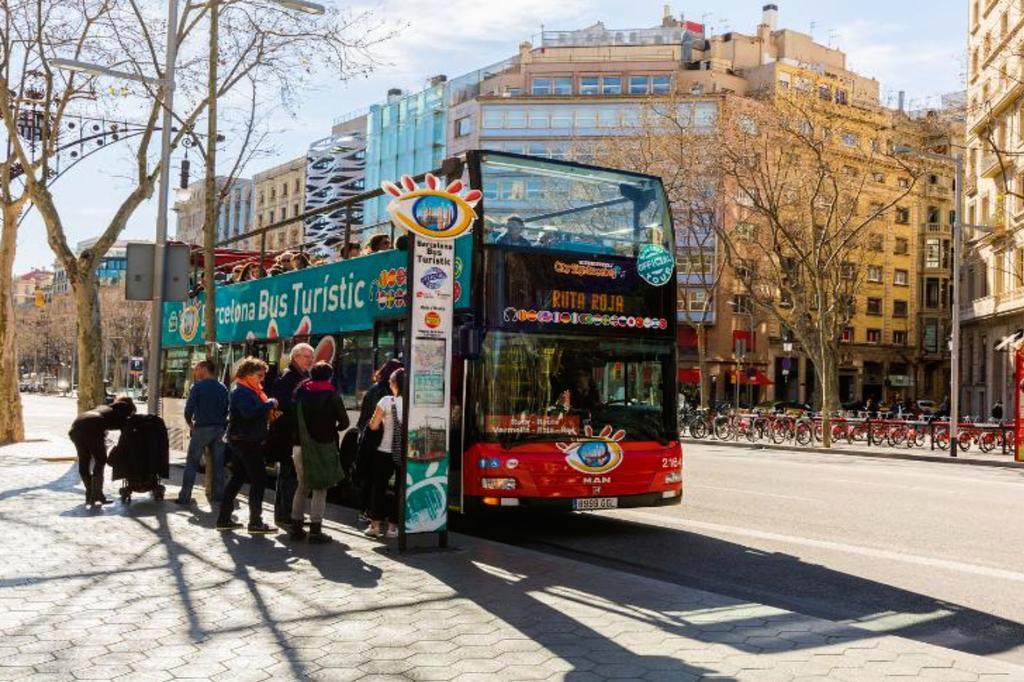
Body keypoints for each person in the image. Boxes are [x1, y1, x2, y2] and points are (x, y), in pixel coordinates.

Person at [216, 358, 279, 534]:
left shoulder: (247, 390)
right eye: (260, 375)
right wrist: (269, 404)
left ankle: (224, 519)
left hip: (243, 439)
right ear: (249, 374)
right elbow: (249, 413)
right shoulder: (242, 392)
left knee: (237, 478)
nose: (262, 379)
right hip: (246, 441)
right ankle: (255, 522)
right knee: (259, 480)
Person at [289, 362, 350, 543]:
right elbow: (345, 423)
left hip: (299, 446)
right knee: (320, 488)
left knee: (302, 486)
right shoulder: (331, 394)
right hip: (322, 447)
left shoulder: (300, 392)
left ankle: (296, 527)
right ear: (330, 376)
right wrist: (331, 428)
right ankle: (315, 530)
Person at [269, 343, 315, 527]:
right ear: (295, 357)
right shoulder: (289, 377)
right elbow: (283, 404)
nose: (310, 360)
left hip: (292, 434)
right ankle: (286, 514)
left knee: (287, 476)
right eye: (306, 356)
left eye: (311, 357)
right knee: (289, 476)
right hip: (288, 434)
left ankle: (283, 514)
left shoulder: (302, 375)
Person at [355, 359, 403, 521]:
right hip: (389, 445)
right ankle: (390, 520)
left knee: (374, 481)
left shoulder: (375, 390)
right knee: (387, 483)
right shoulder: (393, 397)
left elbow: (369, 421)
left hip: (376, 442)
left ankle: (369, 513)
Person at [177, 360, 229, 506]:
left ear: (205, 369)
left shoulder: (198, 386)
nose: (195, 372)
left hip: (201, 429)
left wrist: (190, 423)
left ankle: (185, 497)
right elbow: (227, 409)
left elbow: (189, 409)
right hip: (219, 429)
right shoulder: (223, 387)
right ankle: (217, 496)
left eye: (197, 369)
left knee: (192, 464)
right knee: (218, 465)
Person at [68, 397, 137, 505]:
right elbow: (126, 433)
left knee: (84, 459)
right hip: (94, 425)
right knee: (100, 460)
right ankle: (97, 495)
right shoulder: (124, 410)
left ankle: (90, 493)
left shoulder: (105, 407)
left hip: (76, 426)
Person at [367, 368, 404, 539]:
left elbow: (373, 426)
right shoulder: (413, 403)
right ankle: (393, 528)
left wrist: (381, 421)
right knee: (400, 489)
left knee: (379, 488)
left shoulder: (386, 401)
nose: (389, 382)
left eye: (390, 380)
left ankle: (375, 526)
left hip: (384, 450)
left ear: (395, 383)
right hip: (404, 453)